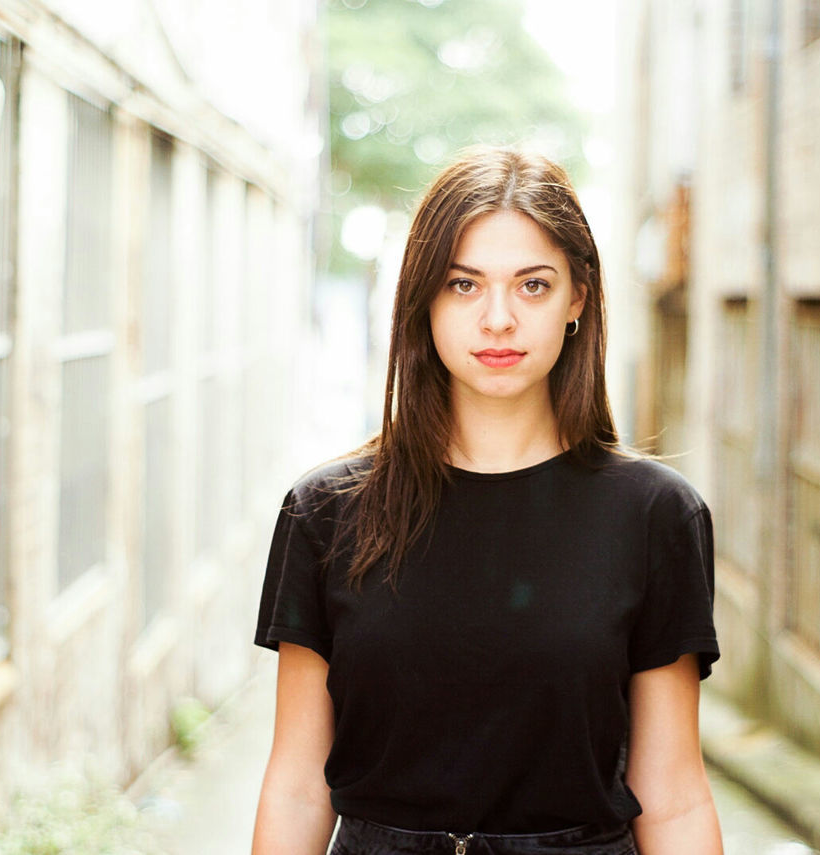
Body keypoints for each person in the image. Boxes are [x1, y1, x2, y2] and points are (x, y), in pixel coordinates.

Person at [252, 146, 722, 855]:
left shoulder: (655, 515)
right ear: (423, 299)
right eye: (463, 285)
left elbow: (676, 796)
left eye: (532, 286)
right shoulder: (326, 511)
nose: (498, 318)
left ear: (578, 298)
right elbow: (296, 785)